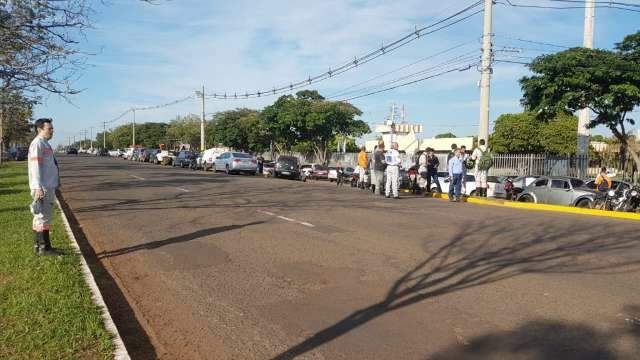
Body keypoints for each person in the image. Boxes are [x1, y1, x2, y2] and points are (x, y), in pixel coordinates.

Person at [28, 118, 60, 256]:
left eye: (52, 128)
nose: (52, 131)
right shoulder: (37, 144)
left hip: (47, 186)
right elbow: (35, 167)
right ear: (39, 129)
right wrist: (37, 187)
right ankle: (43, 249)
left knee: (42, 217)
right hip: (43, 188)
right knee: (42, 217)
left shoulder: (44, 143)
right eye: (49, 129)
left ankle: (42, 246)